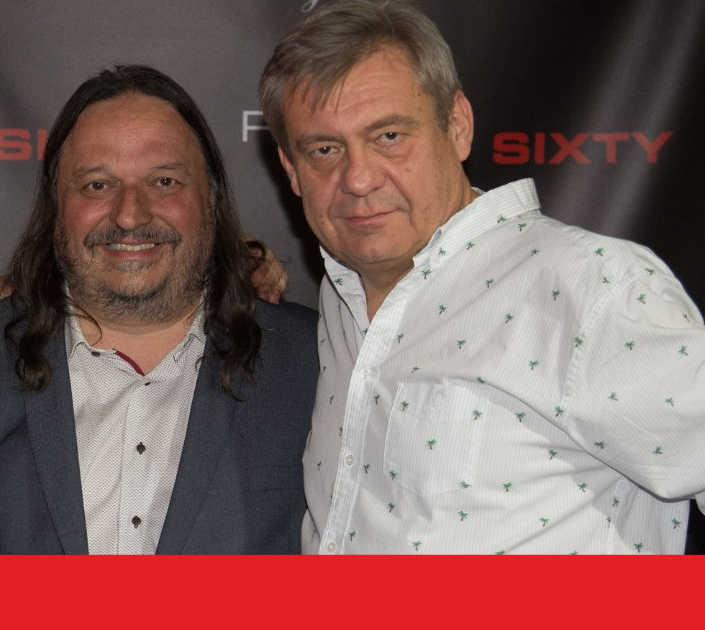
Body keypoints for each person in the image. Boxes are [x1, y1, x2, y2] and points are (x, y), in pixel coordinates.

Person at [260, 0, 705, 554]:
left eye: (389, 136)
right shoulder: (342, 297)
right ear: (291, 169)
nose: (358, 179)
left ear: (458, 126)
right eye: (324, 149)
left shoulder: (592, 289)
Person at [0, 65, 318, 556]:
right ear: (55, 206)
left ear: (211, 199)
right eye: (97, 185)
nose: (130, 214)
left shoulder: (316, 360)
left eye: (164, 181)